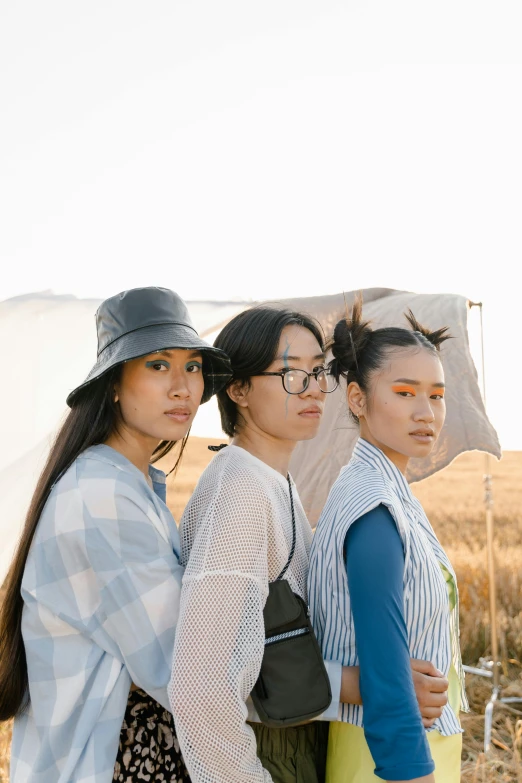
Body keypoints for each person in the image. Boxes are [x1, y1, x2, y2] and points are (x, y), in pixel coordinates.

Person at [169, 306, 451, 783]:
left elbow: (275, 650)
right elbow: (203, 685)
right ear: (237, 389)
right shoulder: (239, 491)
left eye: (318, 370)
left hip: (296, 748)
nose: (316, 387)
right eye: (291, 374)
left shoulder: (276, 483)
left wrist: (363, 685)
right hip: (259, 761)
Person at [0, 286, 231, 783]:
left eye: (193, 366)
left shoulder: (128, 483)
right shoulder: (102, 496)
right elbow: (182, 670)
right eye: (157, 365)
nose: (182, 386)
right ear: (113, 385)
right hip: (108, 765)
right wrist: (345, 688)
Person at [308, 297, 468, 783]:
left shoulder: (386, 491)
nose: (426, 412)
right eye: (404, 393)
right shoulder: (373, 507)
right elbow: (382, 661)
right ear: (357, 399)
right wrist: (409, 770)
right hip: (390, 758)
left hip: (414, 744)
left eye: (436, 395)